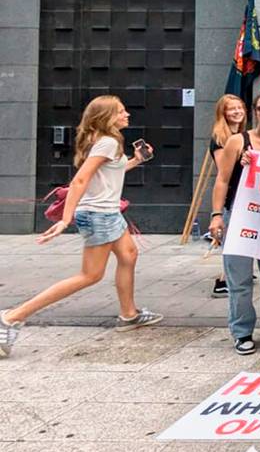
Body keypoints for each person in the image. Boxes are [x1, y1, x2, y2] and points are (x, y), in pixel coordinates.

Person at [1, 96, 161, 357]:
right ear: (107, 117)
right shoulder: (107, 142)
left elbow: (108, 173)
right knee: (89, 275)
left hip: (108, 214)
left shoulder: (104, 141)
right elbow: (80, 181)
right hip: (100, 216)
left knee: (129, 255)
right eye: (121, 112)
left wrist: (136, 160)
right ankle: (11, 317)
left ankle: (129, 315)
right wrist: (65, 219)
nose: (127, 114)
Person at [208, 88, 260, 354]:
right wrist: (217, 215)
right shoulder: (238, 141)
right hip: (239, 216)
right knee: (239, 280)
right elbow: (222, 180)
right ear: (256, 112)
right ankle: (242, 332)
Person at [207, 94, 247, 297]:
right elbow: (225, 172)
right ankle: (223, 280)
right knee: (231, 240)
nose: (237, 111)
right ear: (223, 113)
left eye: (240, 107)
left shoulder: (241, 134)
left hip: (243, 194)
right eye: (232, 108)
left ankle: (232, 276)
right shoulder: (220, 138)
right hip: (233, 196)